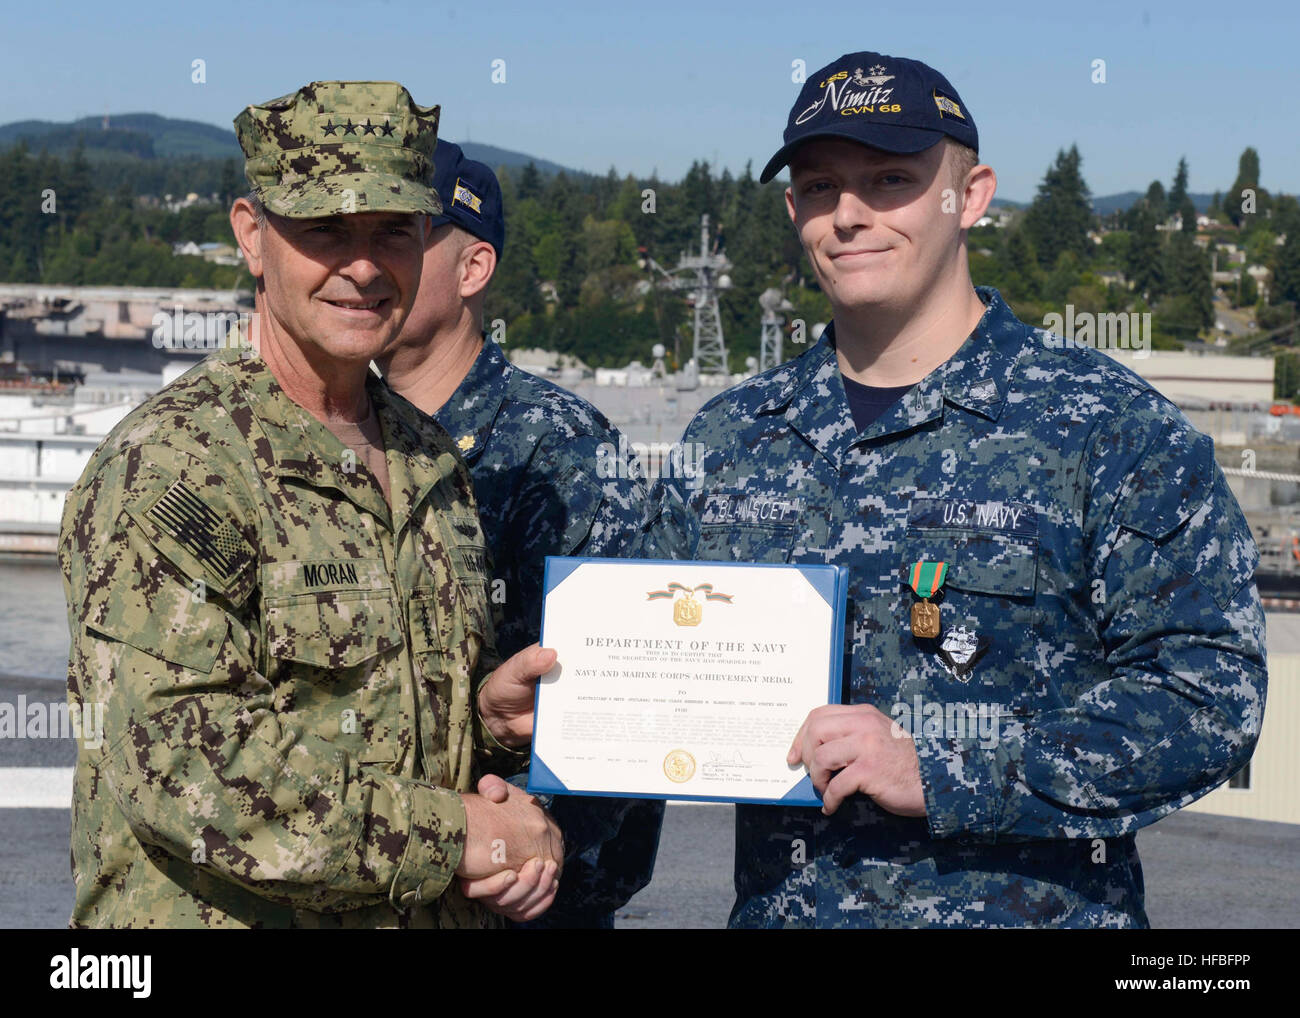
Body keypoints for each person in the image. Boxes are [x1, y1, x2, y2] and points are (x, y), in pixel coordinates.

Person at [642, 52, 1267, 927]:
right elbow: (643, 668)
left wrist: (944, 771)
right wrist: (550, 710)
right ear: (794, 211)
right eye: (820, 187)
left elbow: (1209, 694)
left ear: (970, 195)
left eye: (891, 179)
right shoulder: (731, 439)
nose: (849, 215)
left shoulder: (1105, 426)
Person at [59, 81, 562, 928]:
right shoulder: (176, 468)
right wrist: (452, 837)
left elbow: (371, 725)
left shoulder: (426, 456)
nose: (363, 266)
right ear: (253, 236)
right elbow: (184, 766)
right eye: (325, 228)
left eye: (394, 231)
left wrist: (486, 725)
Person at [378, 143, 664, 928]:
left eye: (402, 236)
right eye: (357, 234)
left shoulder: (558, 450)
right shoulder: (340, 436)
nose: (370, 263)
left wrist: (530, 841)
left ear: (472, 269)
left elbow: (626, 703)